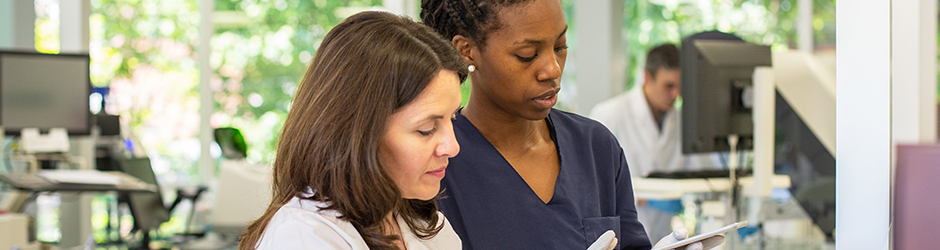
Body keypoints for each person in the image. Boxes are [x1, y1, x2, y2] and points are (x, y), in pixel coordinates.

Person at [420, 1, 705, 249]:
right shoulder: (437, 164)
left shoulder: (596, 147)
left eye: (560, 47)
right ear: (467, 51)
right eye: (527, 55)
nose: (553, 69)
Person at [237, 11, 468, 250]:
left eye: (453, 119)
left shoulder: (429, 229)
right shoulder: (302, 238)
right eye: (426, 129)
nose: (452, 147)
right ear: (359, 133)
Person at [588, 43, 688, 242]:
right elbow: (592, 184)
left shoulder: (681, 121)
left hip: (662, 237)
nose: (676, 94)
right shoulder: (611, 114)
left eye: (680, 86)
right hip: (617, 238)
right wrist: (646, 198)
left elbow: (701, 172)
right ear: (648, 77)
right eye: (669, 86)